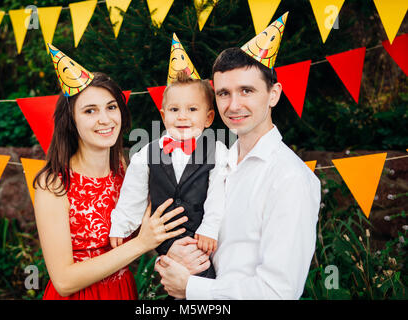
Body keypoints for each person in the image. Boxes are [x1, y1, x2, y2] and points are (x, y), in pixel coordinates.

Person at [155, 13, 322, 299]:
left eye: (246, 90)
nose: (233, 105)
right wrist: (176, 253)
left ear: (273, 94)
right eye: (223, 93)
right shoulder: (218, 162)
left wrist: (190, 287)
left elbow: (278, 292)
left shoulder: (290, 178)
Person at [33, 44, 188, 300]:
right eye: (90, 111)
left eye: (111, 107)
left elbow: (148, 229)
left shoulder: (122, 168)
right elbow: (63, 281)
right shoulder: (54, 183)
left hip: (122, 291)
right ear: (70, 120)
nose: (105, 119)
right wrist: (141, 244)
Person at [109, 70, 228, 281]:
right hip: (165, 242)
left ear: (208, 117)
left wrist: (210, 228)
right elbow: (133, 195)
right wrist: (121, 226)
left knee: (203, 284)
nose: (182, 116)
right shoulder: (146, 153)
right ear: (164, 116)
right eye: (174, 109)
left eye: (192, 109)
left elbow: (219, 193)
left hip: (202, 240)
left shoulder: (217, 151)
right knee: (171, 286)